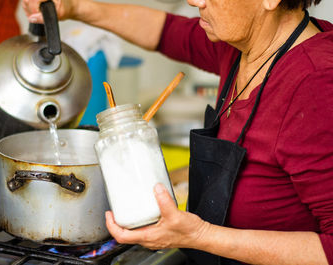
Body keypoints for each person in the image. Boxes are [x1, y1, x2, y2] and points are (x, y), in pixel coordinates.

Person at [23, 0, 333, 264]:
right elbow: (167, 31)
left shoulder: (317, 84)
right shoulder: (245, 45)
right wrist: (74, 7)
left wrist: (201, 236)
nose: (193, 1)